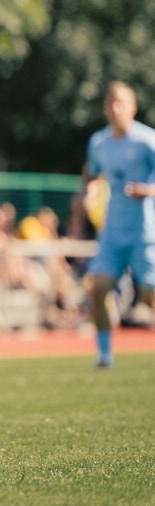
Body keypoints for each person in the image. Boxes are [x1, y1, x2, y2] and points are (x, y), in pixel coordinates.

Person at [84, 81, 155, 368]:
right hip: (112, 231)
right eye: (111, 102)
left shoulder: (147, 140)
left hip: (144, 231)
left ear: (133, 107)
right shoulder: (98, 142)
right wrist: (87, 192)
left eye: (121, 102)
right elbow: (91, 175)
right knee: (98, 288)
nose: (115, 108)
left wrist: (147, 191)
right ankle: (104, 356)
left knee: (151, 297)